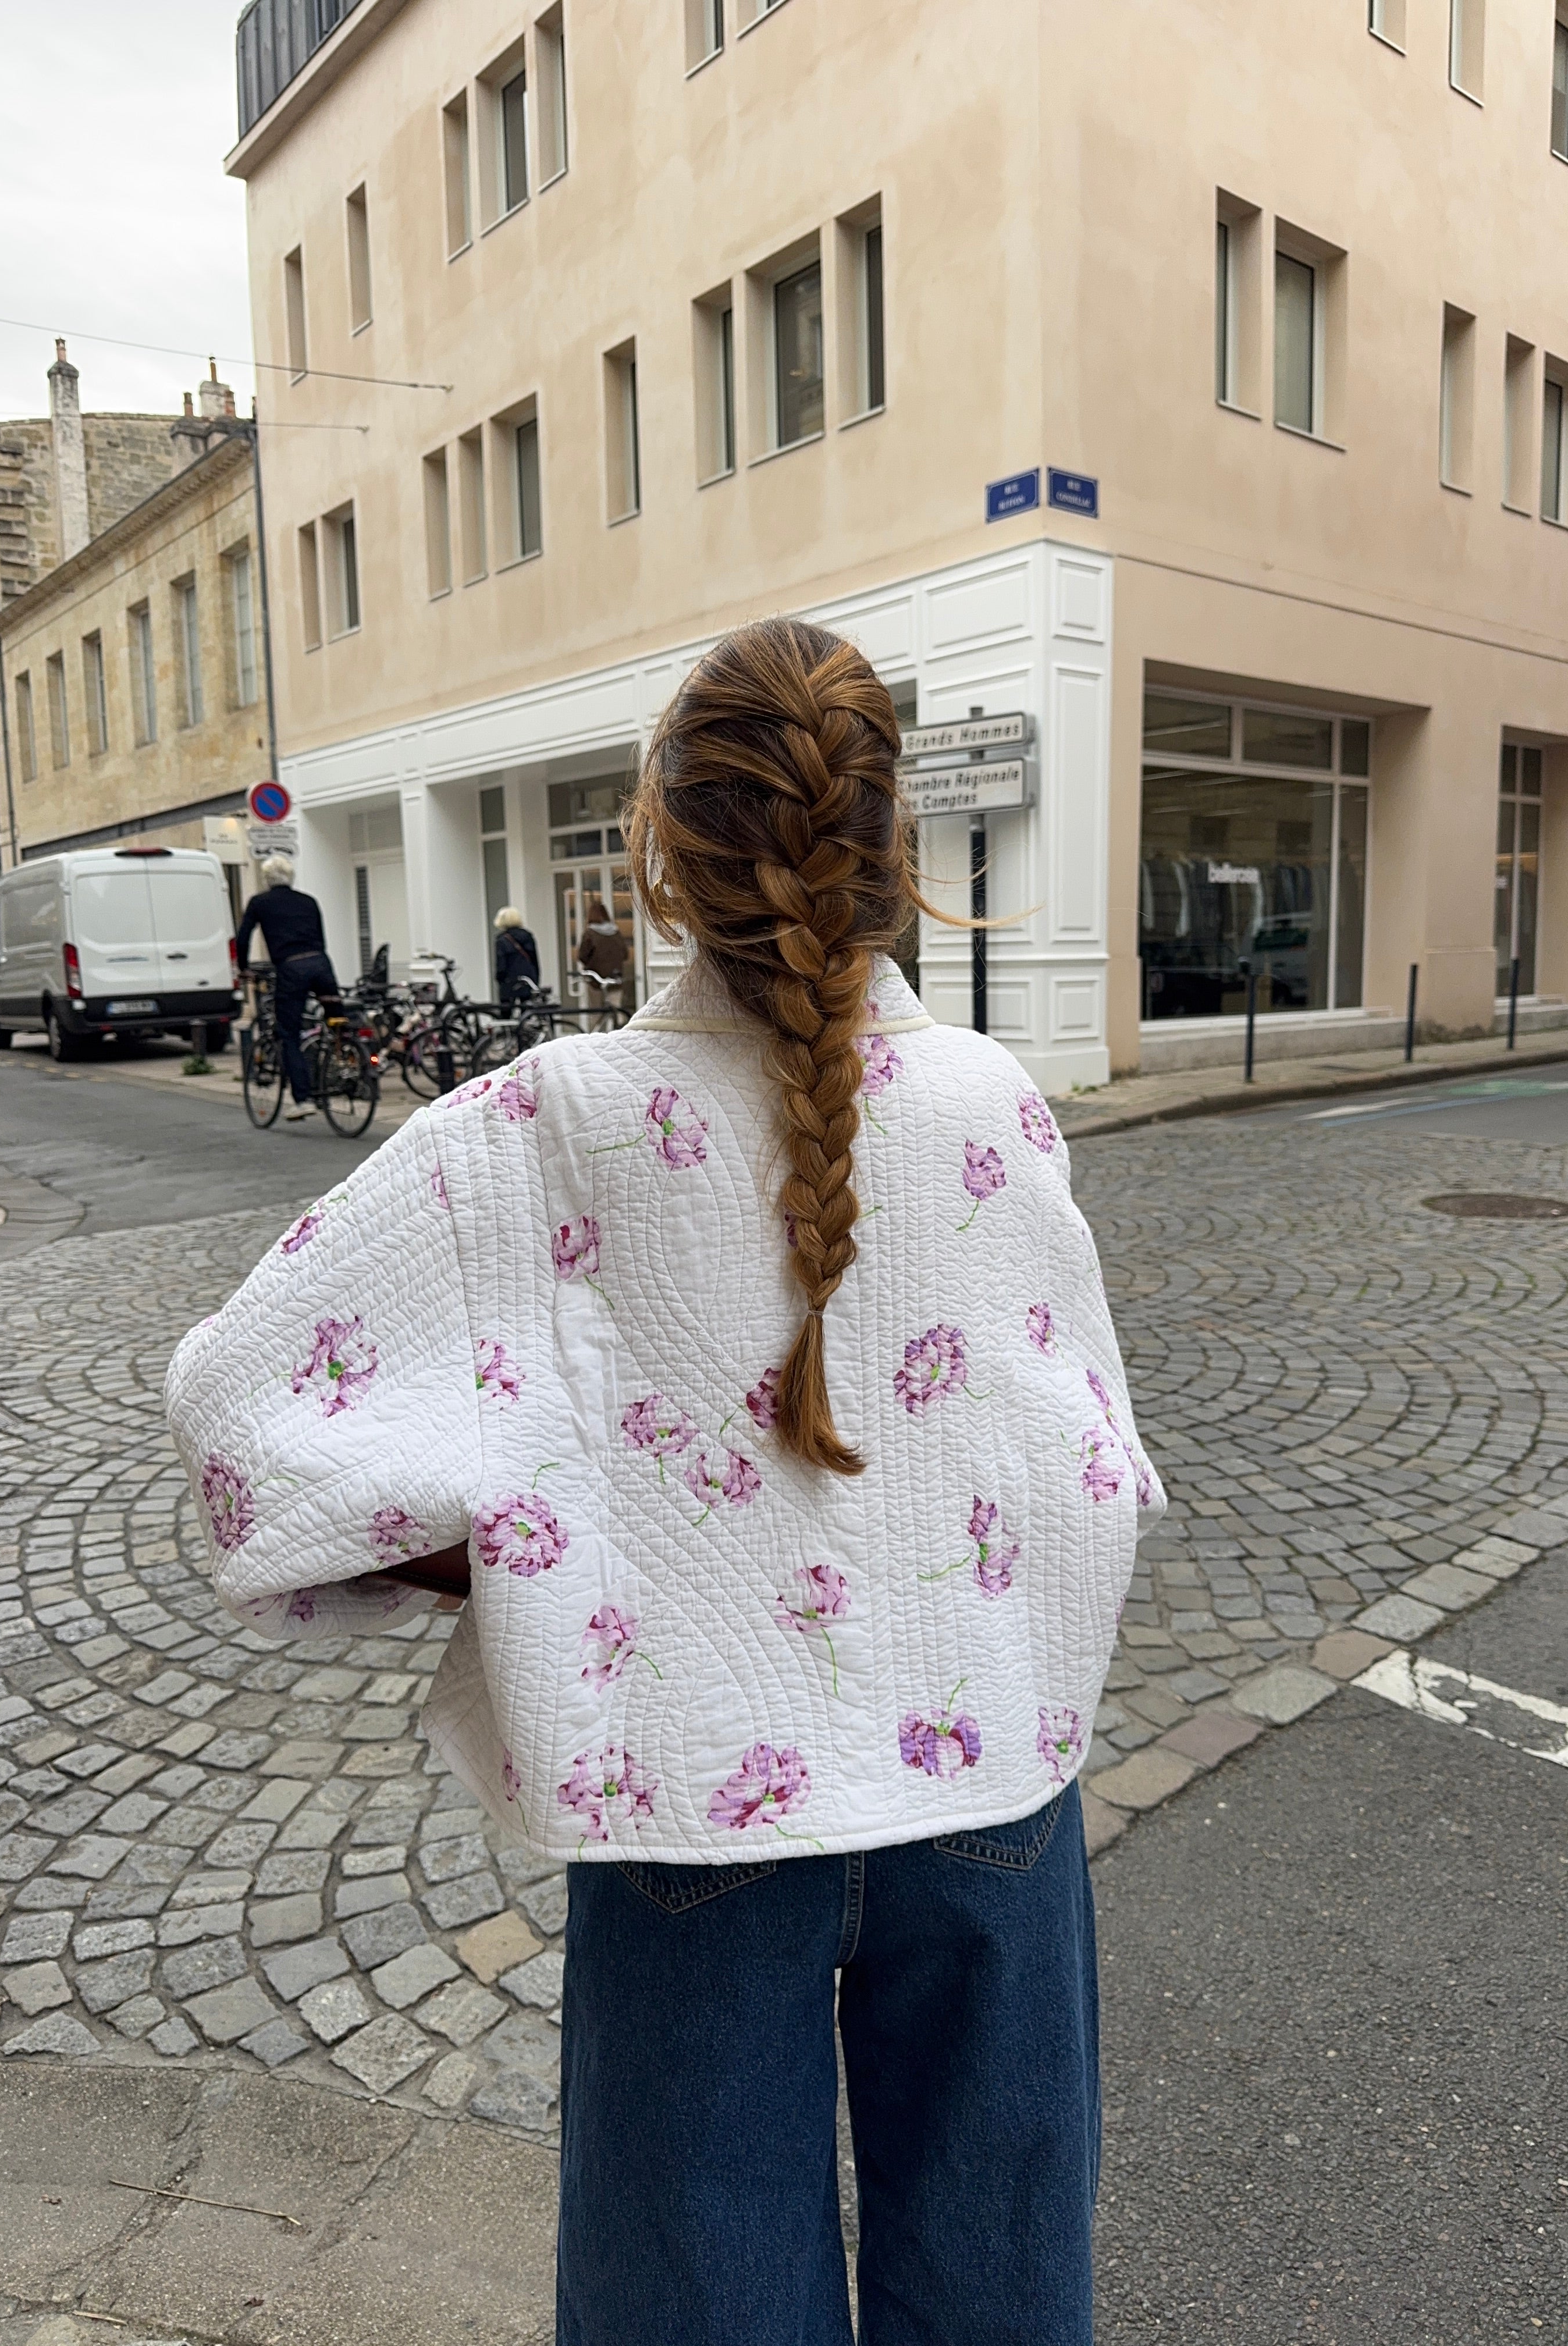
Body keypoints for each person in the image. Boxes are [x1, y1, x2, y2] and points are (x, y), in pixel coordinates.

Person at [165, 619, 1167, 2346]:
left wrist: (518, 1547)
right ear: (892, 853)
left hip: (692, 1790)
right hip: (990, 1782)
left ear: (659, 851)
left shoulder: (552, 1122)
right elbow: (1089, 1463)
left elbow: (244, 1412)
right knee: (1003, 2293)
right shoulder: (997, 1108)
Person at [234, 855, 337, 1122]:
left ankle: (303, 1099)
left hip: (292, 970)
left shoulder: (260, 902)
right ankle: (352, 1063)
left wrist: (244, 968)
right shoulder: (309, 901)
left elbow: (244, 936)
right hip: (321, 964)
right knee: (338, 1020)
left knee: (289, 1032)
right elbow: (321, 937)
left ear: (268, 879)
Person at [575, 892, 630, 1001]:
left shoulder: (590, 934)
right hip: (615, 978)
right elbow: (625, 954)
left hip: (596, 980)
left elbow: (582, 956)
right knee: (616, 1012)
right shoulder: (616, 932)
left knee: (597, 1013)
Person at [493, 905, 541, 1008]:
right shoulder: (528, 936)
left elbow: (501, 965)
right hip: (528, 979)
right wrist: (536, 980)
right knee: (527, 1011)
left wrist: (499, 979)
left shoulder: (502, 940)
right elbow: (534, 960)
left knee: (506, 1012)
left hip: (509, 981)